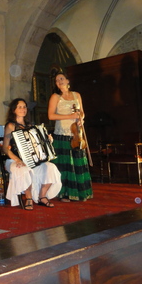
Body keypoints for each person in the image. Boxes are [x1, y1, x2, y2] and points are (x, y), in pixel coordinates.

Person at [2, 98, 62, 209]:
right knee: (24, 169)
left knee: (51, 167)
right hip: (14, 160)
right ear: (14, 110)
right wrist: (18, 160)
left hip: (32, 161)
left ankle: (42, 196)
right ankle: (28, 198)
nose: (22, 109)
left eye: (24, 107)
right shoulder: (10, 126)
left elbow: (39, 145)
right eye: (19, 107)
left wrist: (48, 141)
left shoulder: (31, 126)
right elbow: (5, 149)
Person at [48, 72, 93, 202]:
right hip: (62, 134)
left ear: (68, 80)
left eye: (61, 78)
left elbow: (82, 112)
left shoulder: (77, 95)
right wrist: (70, 116)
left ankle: (80, 192)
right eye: (57, 80)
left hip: (76, 134)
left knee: (78, 163)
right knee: (65, 166)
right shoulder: (55, 97)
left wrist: (81, 119)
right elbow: (51, 116)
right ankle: (64, 193)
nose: (59, 81)